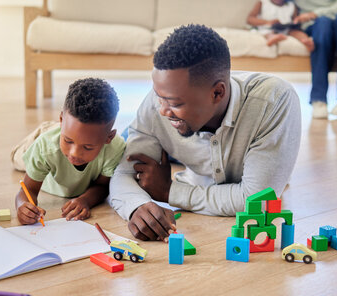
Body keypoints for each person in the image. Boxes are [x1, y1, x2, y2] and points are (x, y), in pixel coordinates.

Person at [109, 24, 301, 241]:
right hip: (183, 139)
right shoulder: (157, 106)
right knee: (113, 151)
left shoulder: (274, 101)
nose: (162, 109)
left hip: (195, 151)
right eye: (158, 96)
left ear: (217, 92)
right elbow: (125, 173)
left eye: (173, 102)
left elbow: (256, 200)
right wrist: (137, 206)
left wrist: (170, 192)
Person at [14, 78, 125, 224]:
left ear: (109, 137)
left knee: (67, 138)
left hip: (62, 135)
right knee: (18, 159)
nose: (74, 153)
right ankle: (48, 128)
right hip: (42, 143)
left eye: (88, 147)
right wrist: (22, 206)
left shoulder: (115, 148)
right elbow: (28, 190)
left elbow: (103, 186)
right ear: (61, 119)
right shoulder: (45, 147)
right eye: (68, 141)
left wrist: (85, 200)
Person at [247, 0, 314, 51]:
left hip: (286, 30)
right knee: (266, 33)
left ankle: (306, 41)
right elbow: (250, 19)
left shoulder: (291, 6)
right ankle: (272, 37)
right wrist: (268, 22)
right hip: (267, 29)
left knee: (296, 33)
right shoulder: (262, 3)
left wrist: (297, 21)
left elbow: (295, 22)